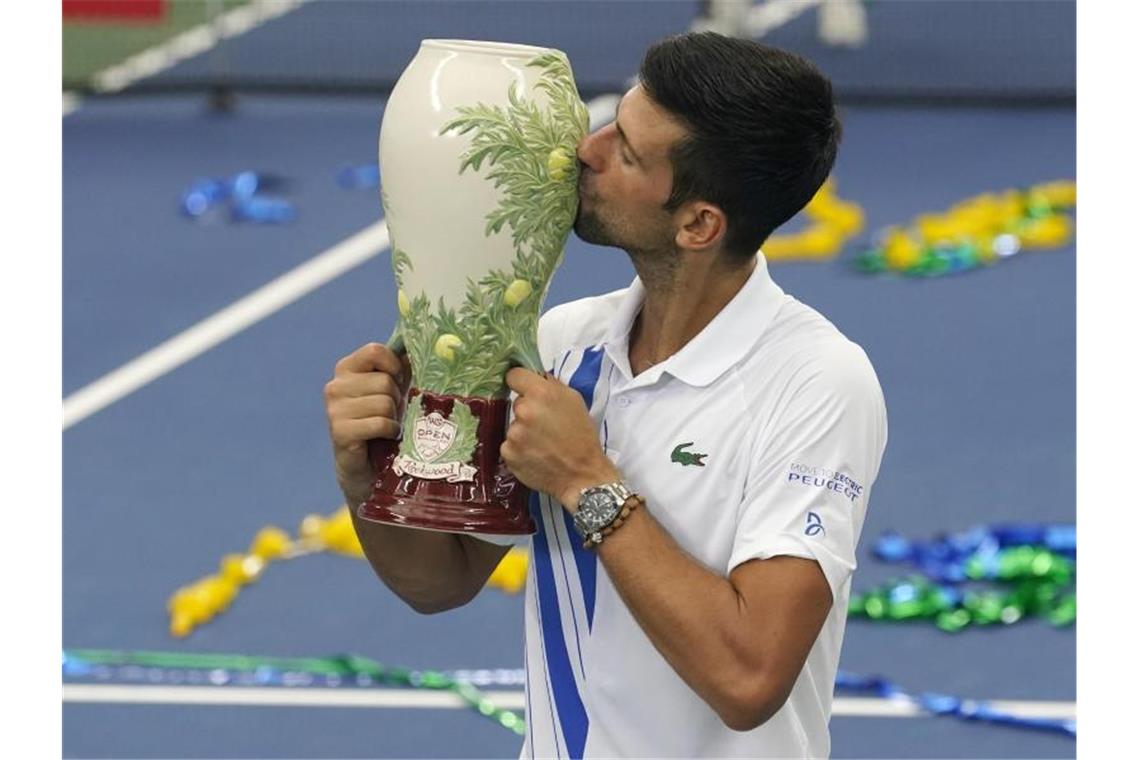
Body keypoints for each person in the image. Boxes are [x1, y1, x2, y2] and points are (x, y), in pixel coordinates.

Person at [324, 32, 887, 759]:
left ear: (698, 224)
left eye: (625, 150)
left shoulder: (817, 383)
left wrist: (588, 482)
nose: (584, 152)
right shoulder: (562, 343)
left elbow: (750, 678)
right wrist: (364, 474)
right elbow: (440, 580)